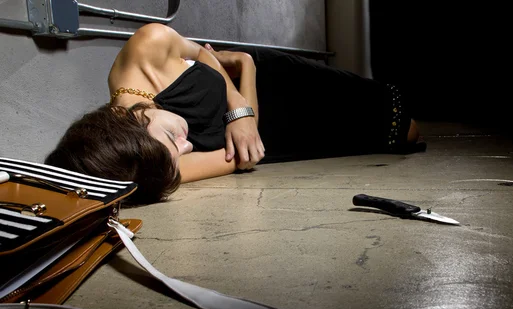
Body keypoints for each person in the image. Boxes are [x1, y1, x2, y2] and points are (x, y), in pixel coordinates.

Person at [45, 23, 425, 205]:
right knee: (402, 135)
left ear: (133, 119)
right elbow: (245, 156)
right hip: (272, 132)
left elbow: (205, 55)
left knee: (390, 109)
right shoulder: (151, 164)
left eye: (173, 139)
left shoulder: (148, 46)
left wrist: (239, 107)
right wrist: (244, 75)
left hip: (275, 81)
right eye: (181, 151)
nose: (188, 144)